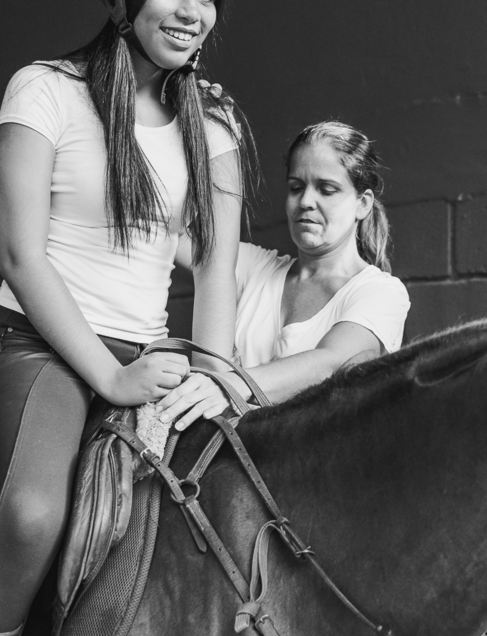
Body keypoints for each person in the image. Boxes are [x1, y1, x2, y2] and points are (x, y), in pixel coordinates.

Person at [0, 0, 256, 636]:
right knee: (34, 511)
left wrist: (212, 369)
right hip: (33, 349)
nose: (190, 11)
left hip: (156, 356)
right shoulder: (45, 91)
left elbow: (214, 267)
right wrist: (111, 379)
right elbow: (20, 255)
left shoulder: (219, 123)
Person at [155, 121, 410, 430]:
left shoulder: (380, 292)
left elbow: (331, 361)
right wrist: (200, 127)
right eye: (296, 187)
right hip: (229, 465)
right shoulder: (252, 266)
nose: (305, 201)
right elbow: (164, 229)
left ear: (363, 204)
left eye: (327, 190)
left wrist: (230, 384)